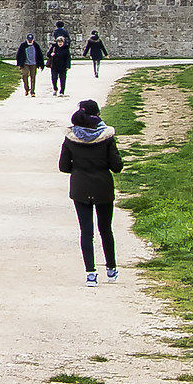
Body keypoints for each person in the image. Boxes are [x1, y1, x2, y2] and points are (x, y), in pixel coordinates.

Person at [59, 97, 124, 284]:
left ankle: (91, 274)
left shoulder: (70, 138)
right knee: (105, 229)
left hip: (80, 187)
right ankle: (111, 269)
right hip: (103, 186)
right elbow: (117, 166)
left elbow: (63, 166)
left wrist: (79, 170)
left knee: (86, 231)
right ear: (97, 114)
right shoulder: (107, 137)